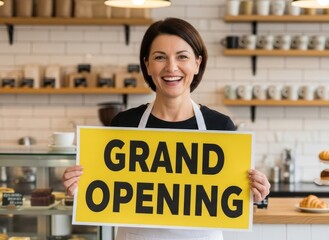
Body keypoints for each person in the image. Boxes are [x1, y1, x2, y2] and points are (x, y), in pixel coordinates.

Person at [62, 17, 271, 240]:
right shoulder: (124, 124)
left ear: (197, 64)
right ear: (147, 65)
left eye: (182, 57)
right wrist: (79, 186)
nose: (171, 67)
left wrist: (256, 192)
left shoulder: (220, 127)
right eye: (160, 57)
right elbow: (105, 194)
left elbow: (232, 197)